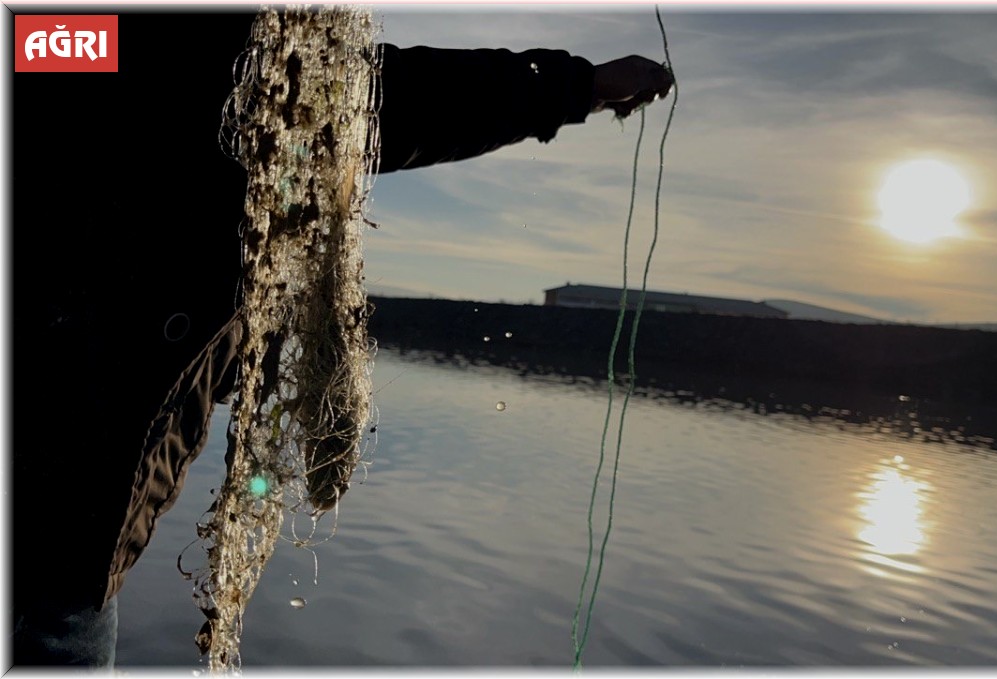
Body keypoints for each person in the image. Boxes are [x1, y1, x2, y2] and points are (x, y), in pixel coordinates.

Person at [10, 10, 673, 668]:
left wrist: (572, 86)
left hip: (71, 546)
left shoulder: (272, 71)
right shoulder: (89, 39)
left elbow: (386, 96)